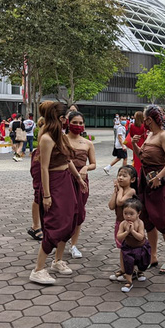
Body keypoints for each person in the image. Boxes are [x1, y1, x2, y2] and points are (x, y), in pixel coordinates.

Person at [29, 101, 87, 285]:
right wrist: (46, 195)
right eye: (67, 118)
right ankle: (38, 269)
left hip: (66, 181)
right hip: (54, 183)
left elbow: (68, 160)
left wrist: (78, 178)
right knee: (55, 224)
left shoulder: (59, 136)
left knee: (70, 220)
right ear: (61, 119)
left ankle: (57, 261)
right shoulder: (46, 137)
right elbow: (44, 168)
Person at [132, 105, 165, 275]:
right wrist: (136, 145)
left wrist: (159, 177)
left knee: (162, 218)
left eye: (145, 119)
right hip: (146, 181)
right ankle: (153, 255)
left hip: (161, 182)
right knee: (148, 218)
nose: (143, 122)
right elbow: (142, 157)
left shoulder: (163, 136)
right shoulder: (150, 135)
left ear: (149, 119)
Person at [66, 111, 96, 259]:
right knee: (65, 212)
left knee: (79, 212)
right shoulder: (62, 140)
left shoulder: (88, 143)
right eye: (75, 122)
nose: (78, 125)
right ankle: (59, 240)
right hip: (65, 179)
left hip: (83, 181)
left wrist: (85, 168)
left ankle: (73, 245)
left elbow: (94, 164)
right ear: (68, 122)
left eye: (81, 123)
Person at [109, 165, 139, 281]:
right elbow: (112, 205)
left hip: (130, 225)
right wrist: (115, 191)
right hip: (119, 223)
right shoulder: (118, 191)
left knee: (130, 248)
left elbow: (120, 202)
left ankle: (131, 271)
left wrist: (120, 190)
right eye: (119, 175)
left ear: (132, 180)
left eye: (124, 176)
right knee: (122, 248)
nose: (120, 178)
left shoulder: (131, 191)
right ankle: (123, 269)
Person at [116, 198, 151, 293]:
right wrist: (127, 232)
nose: (128, 216)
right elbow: (119, 237)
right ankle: (129, 281)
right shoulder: (123, 224)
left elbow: (140, 237)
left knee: (143, 263)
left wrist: (132, 231)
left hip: (141, 247)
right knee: (128, 263)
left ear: (138, 213)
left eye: (131, 214)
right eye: (125, 213)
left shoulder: (140, 223)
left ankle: (140, 272)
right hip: (128, 248)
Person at [27, 117, 45, 242]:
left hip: (46, 159)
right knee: (39, 193)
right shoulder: (46, 127)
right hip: (41, 159)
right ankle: (35, 226)